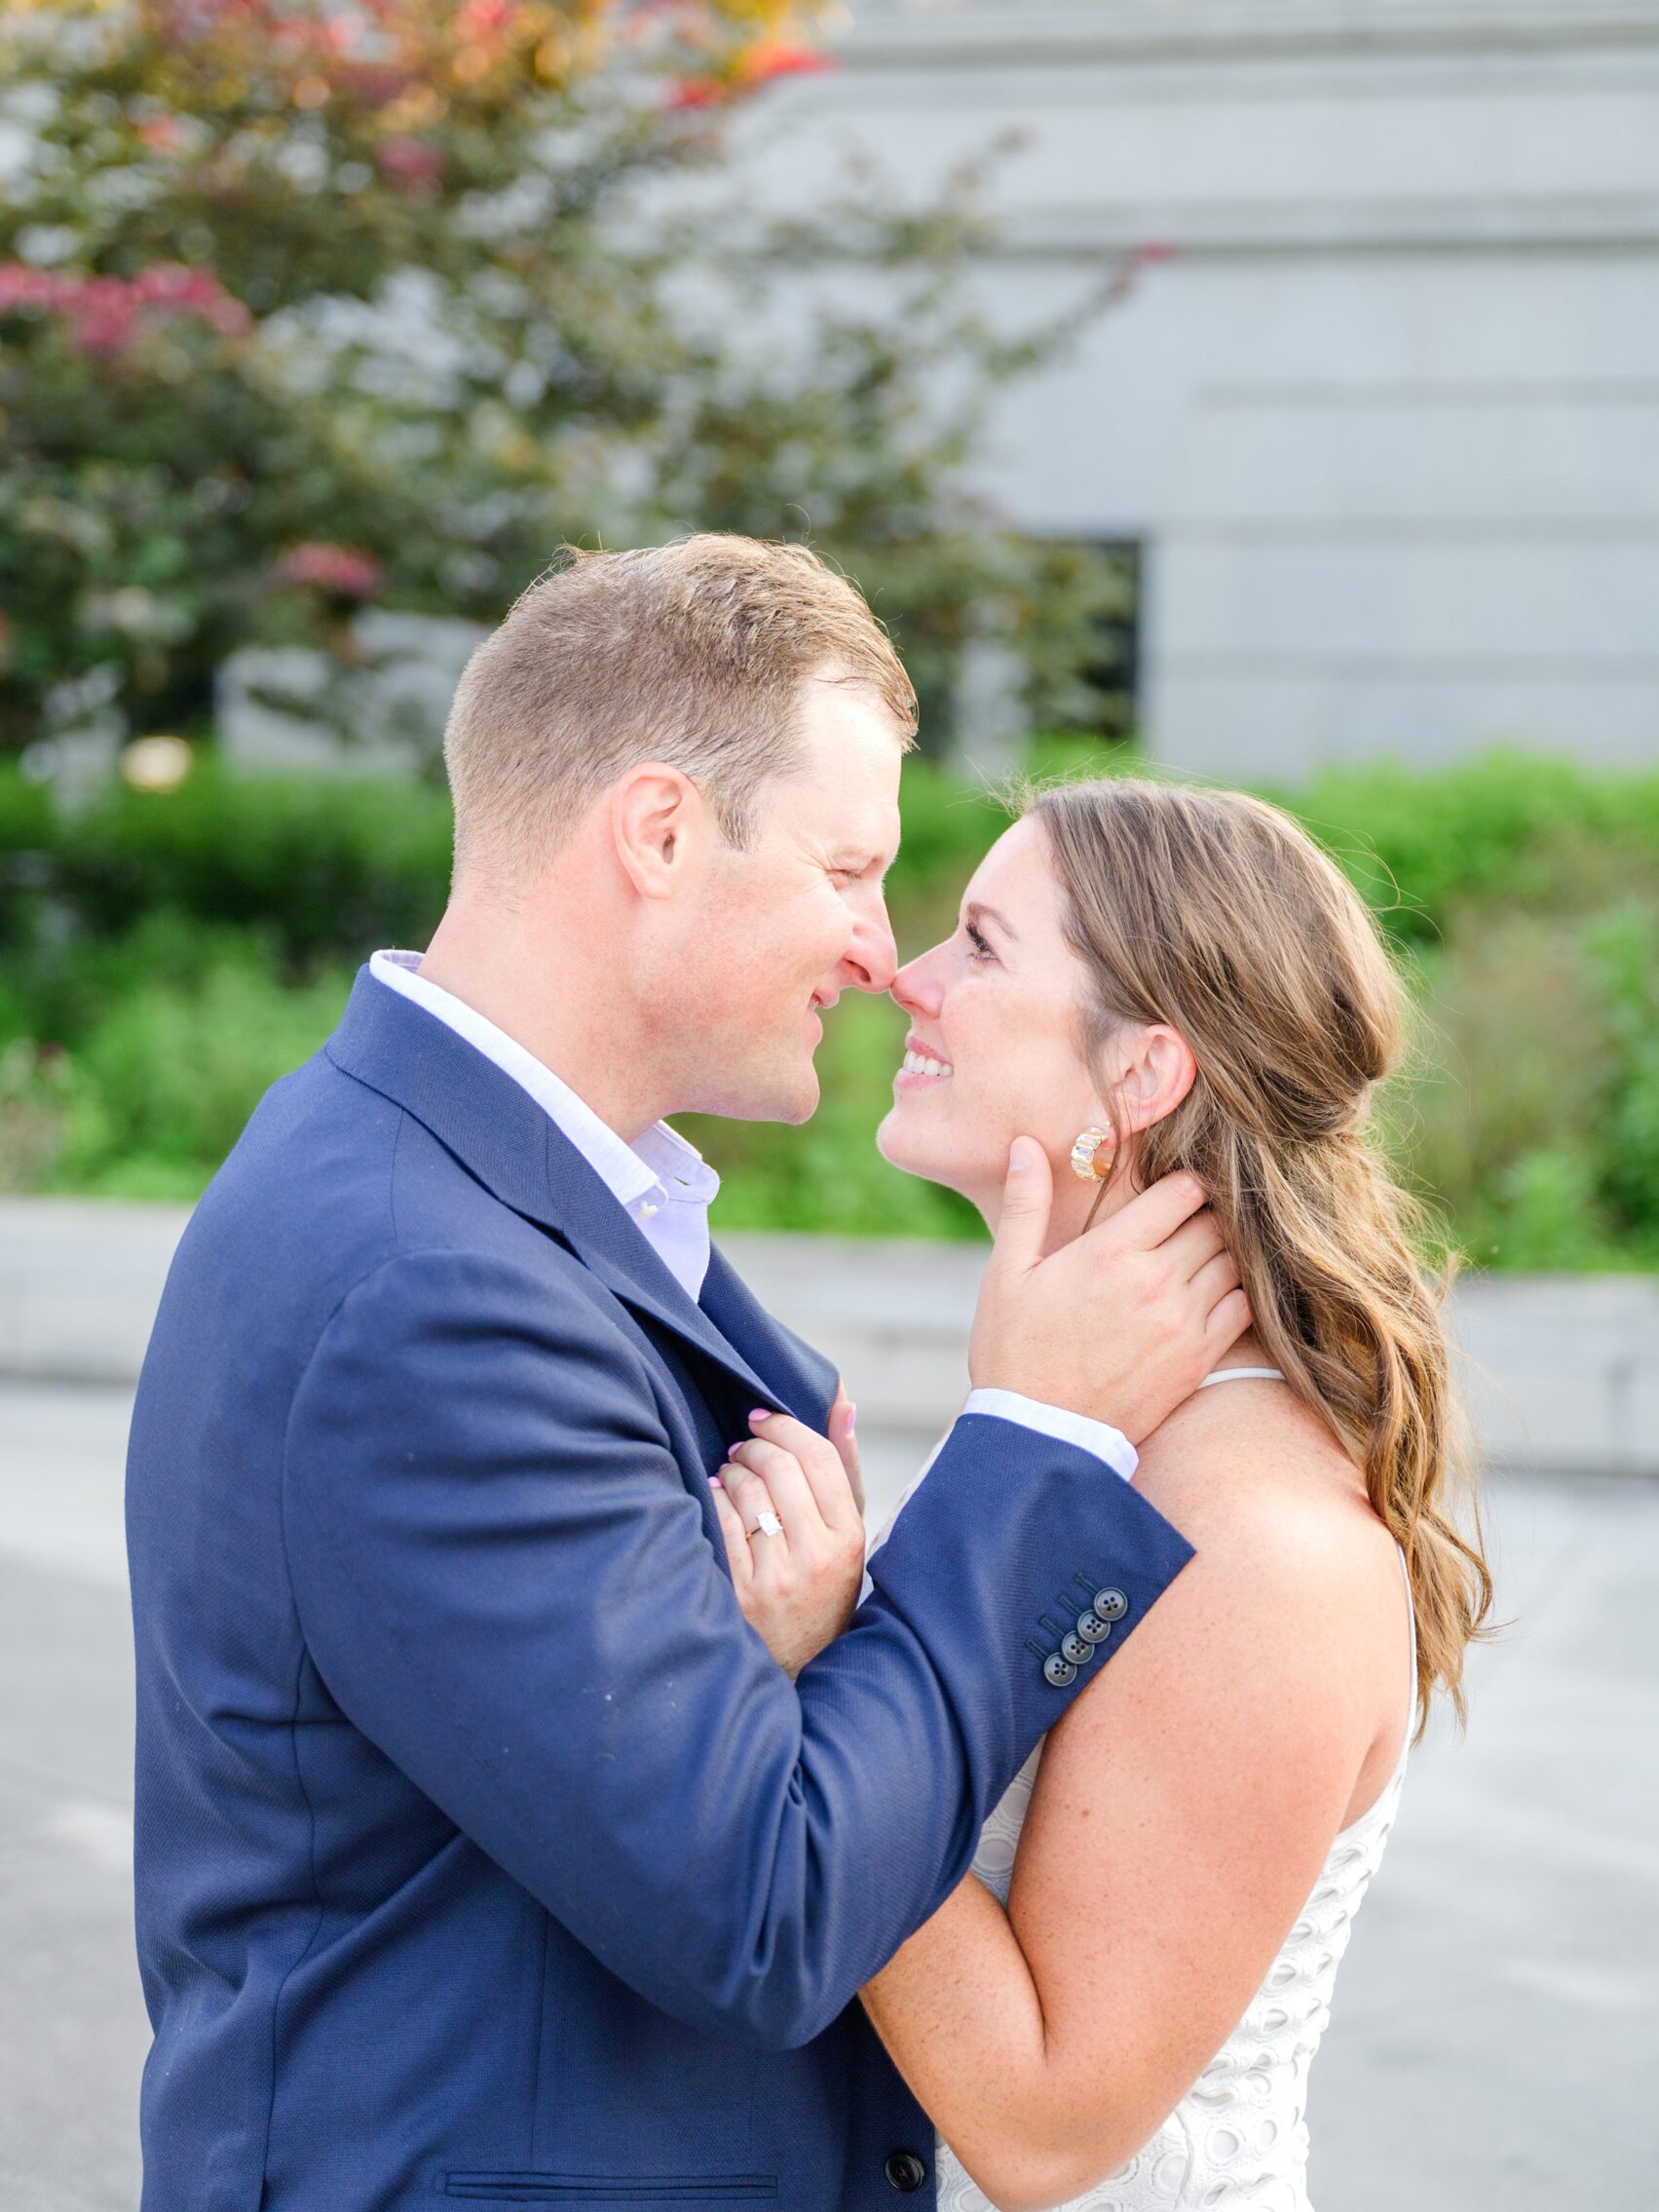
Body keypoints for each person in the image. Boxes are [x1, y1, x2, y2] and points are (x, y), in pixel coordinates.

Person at [126, 535, 1251, 2211]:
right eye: (850, 867)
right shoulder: (428, 1288)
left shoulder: (500, 1186)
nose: (883, 950)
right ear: (659, 833)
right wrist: (1040, 1432)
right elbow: (766, 1914)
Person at [717, 775, 1492, 2212]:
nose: (906, 976)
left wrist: (816, 1681)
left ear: (1143, 1074)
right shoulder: (1095, 1425)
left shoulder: (1255, 1545)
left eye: (985, 945)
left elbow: (1046, 2129)